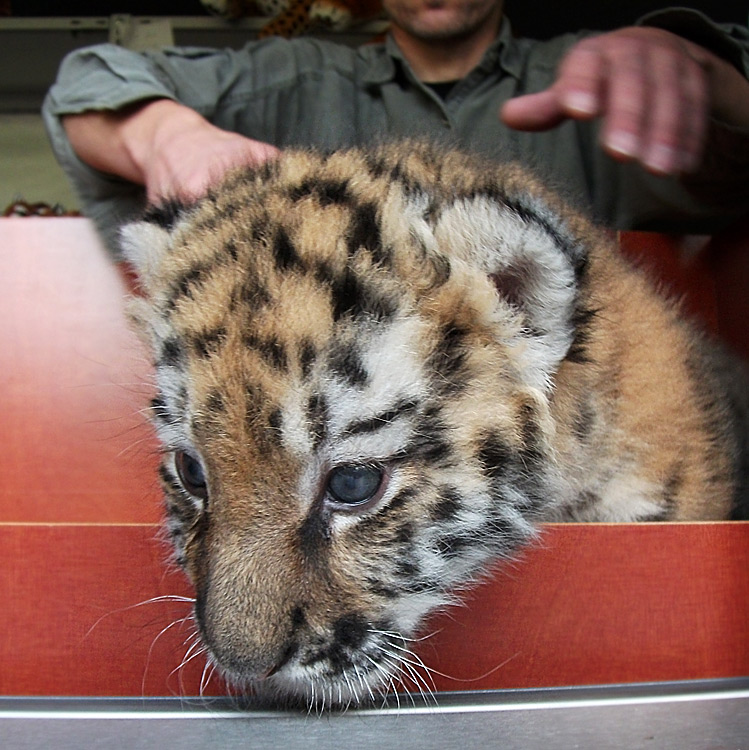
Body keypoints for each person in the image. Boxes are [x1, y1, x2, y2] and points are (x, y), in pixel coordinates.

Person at [42, 0, 749, 256]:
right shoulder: (291, 75)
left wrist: (706, 76)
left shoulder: (588, 74)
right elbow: (85, 86)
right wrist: (169, 136)